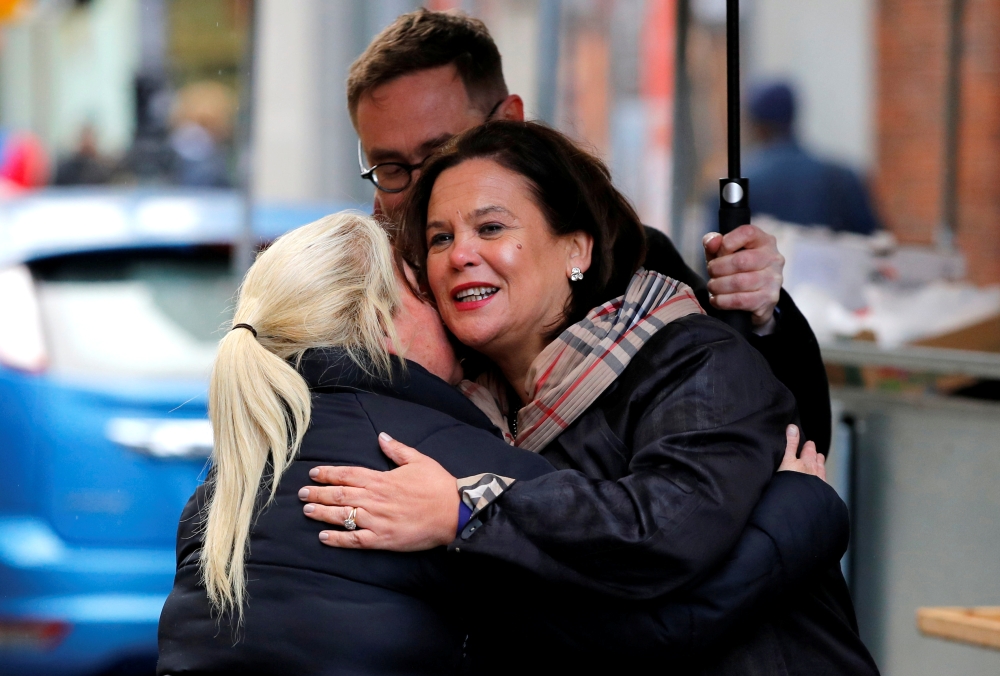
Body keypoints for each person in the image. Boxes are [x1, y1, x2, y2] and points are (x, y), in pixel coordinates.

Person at [156, 212, 848, 674]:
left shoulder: (230, 480)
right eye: (422, 290)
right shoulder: (431, 458)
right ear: (385, 322)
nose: (447, 303)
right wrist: (798, 514)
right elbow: (651, 633)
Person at [302, 122, 879, 674]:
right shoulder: (464, 412)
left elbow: (662, 534)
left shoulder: (692, 359)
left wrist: (465, 510)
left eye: (492, 228)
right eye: (441, 238)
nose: (460, 255)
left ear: (576, 249)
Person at [348, 8, 831, 453]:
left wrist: (760, 313)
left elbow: (783, 442)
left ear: (509, 122)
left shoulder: (634, 270)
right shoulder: (362, 299)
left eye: (442, 154)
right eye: (390, 168)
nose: (421, 189)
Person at [737, 80, 881, 236]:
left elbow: (723, 244)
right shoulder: (842, 177)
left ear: (755, 123)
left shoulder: (741, 183)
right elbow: (875, 241)